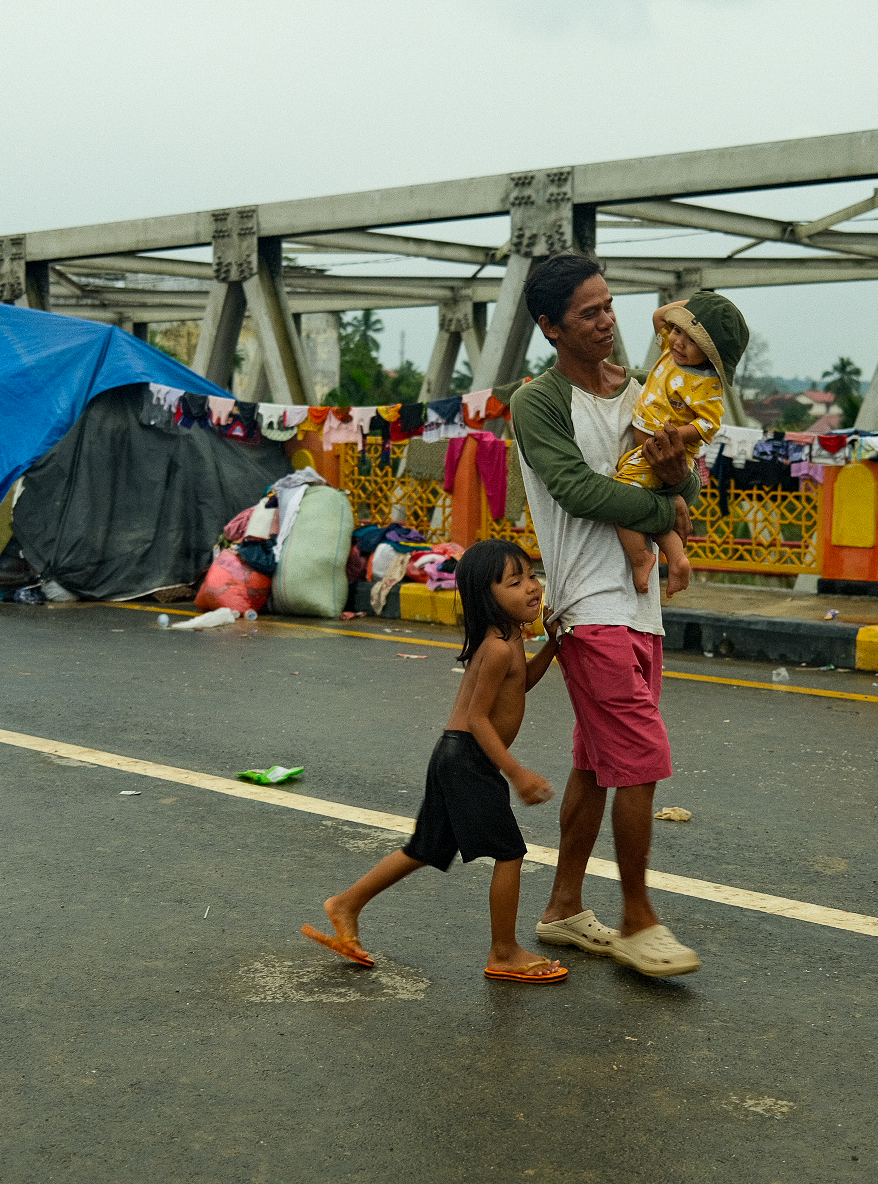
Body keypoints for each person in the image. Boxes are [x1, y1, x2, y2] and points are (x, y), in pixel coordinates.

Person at [509, 253, 704, 978]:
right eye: (589, 313)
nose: (607, 322)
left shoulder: (643, 392)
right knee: (639, 761)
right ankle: (637, 918)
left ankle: (562, 907)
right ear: (550, 327)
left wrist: (676, 477)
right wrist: (665, 515)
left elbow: (681, 483)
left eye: (609, 306)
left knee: (597, 764)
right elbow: (576, 490)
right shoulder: (538, 401)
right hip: (586, 606)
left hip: (641, 606)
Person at [300, 538, 569, 983]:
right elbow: (480, 720)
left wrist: (553, 647)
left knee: (425, 848)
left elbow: (517, 687)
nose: (532, 588)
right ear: (487, 596)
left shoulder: (510, 639)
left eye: (532, 576)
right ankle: (503, 951)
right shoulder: (499, 646)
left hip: (454, 756)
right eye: (515, 581)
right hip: (468, 758)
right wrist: (516, 773)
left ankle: (345, 904)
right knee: (510, 853)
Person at [612, 294, 748, 597]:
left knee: (620, 503)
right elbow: (661, 316)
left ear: (711, 355)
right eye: (678, 331)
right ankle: (677, 558)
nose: (679, 342)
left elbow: (708, 425)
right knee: (650, 511)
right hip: (647, 454)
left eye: (693, 341)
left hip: (661, 455)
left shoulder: (705, 383)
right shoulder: (670, 353)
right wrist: (702, 304)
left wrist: (674, 435)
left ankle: (641, 558)